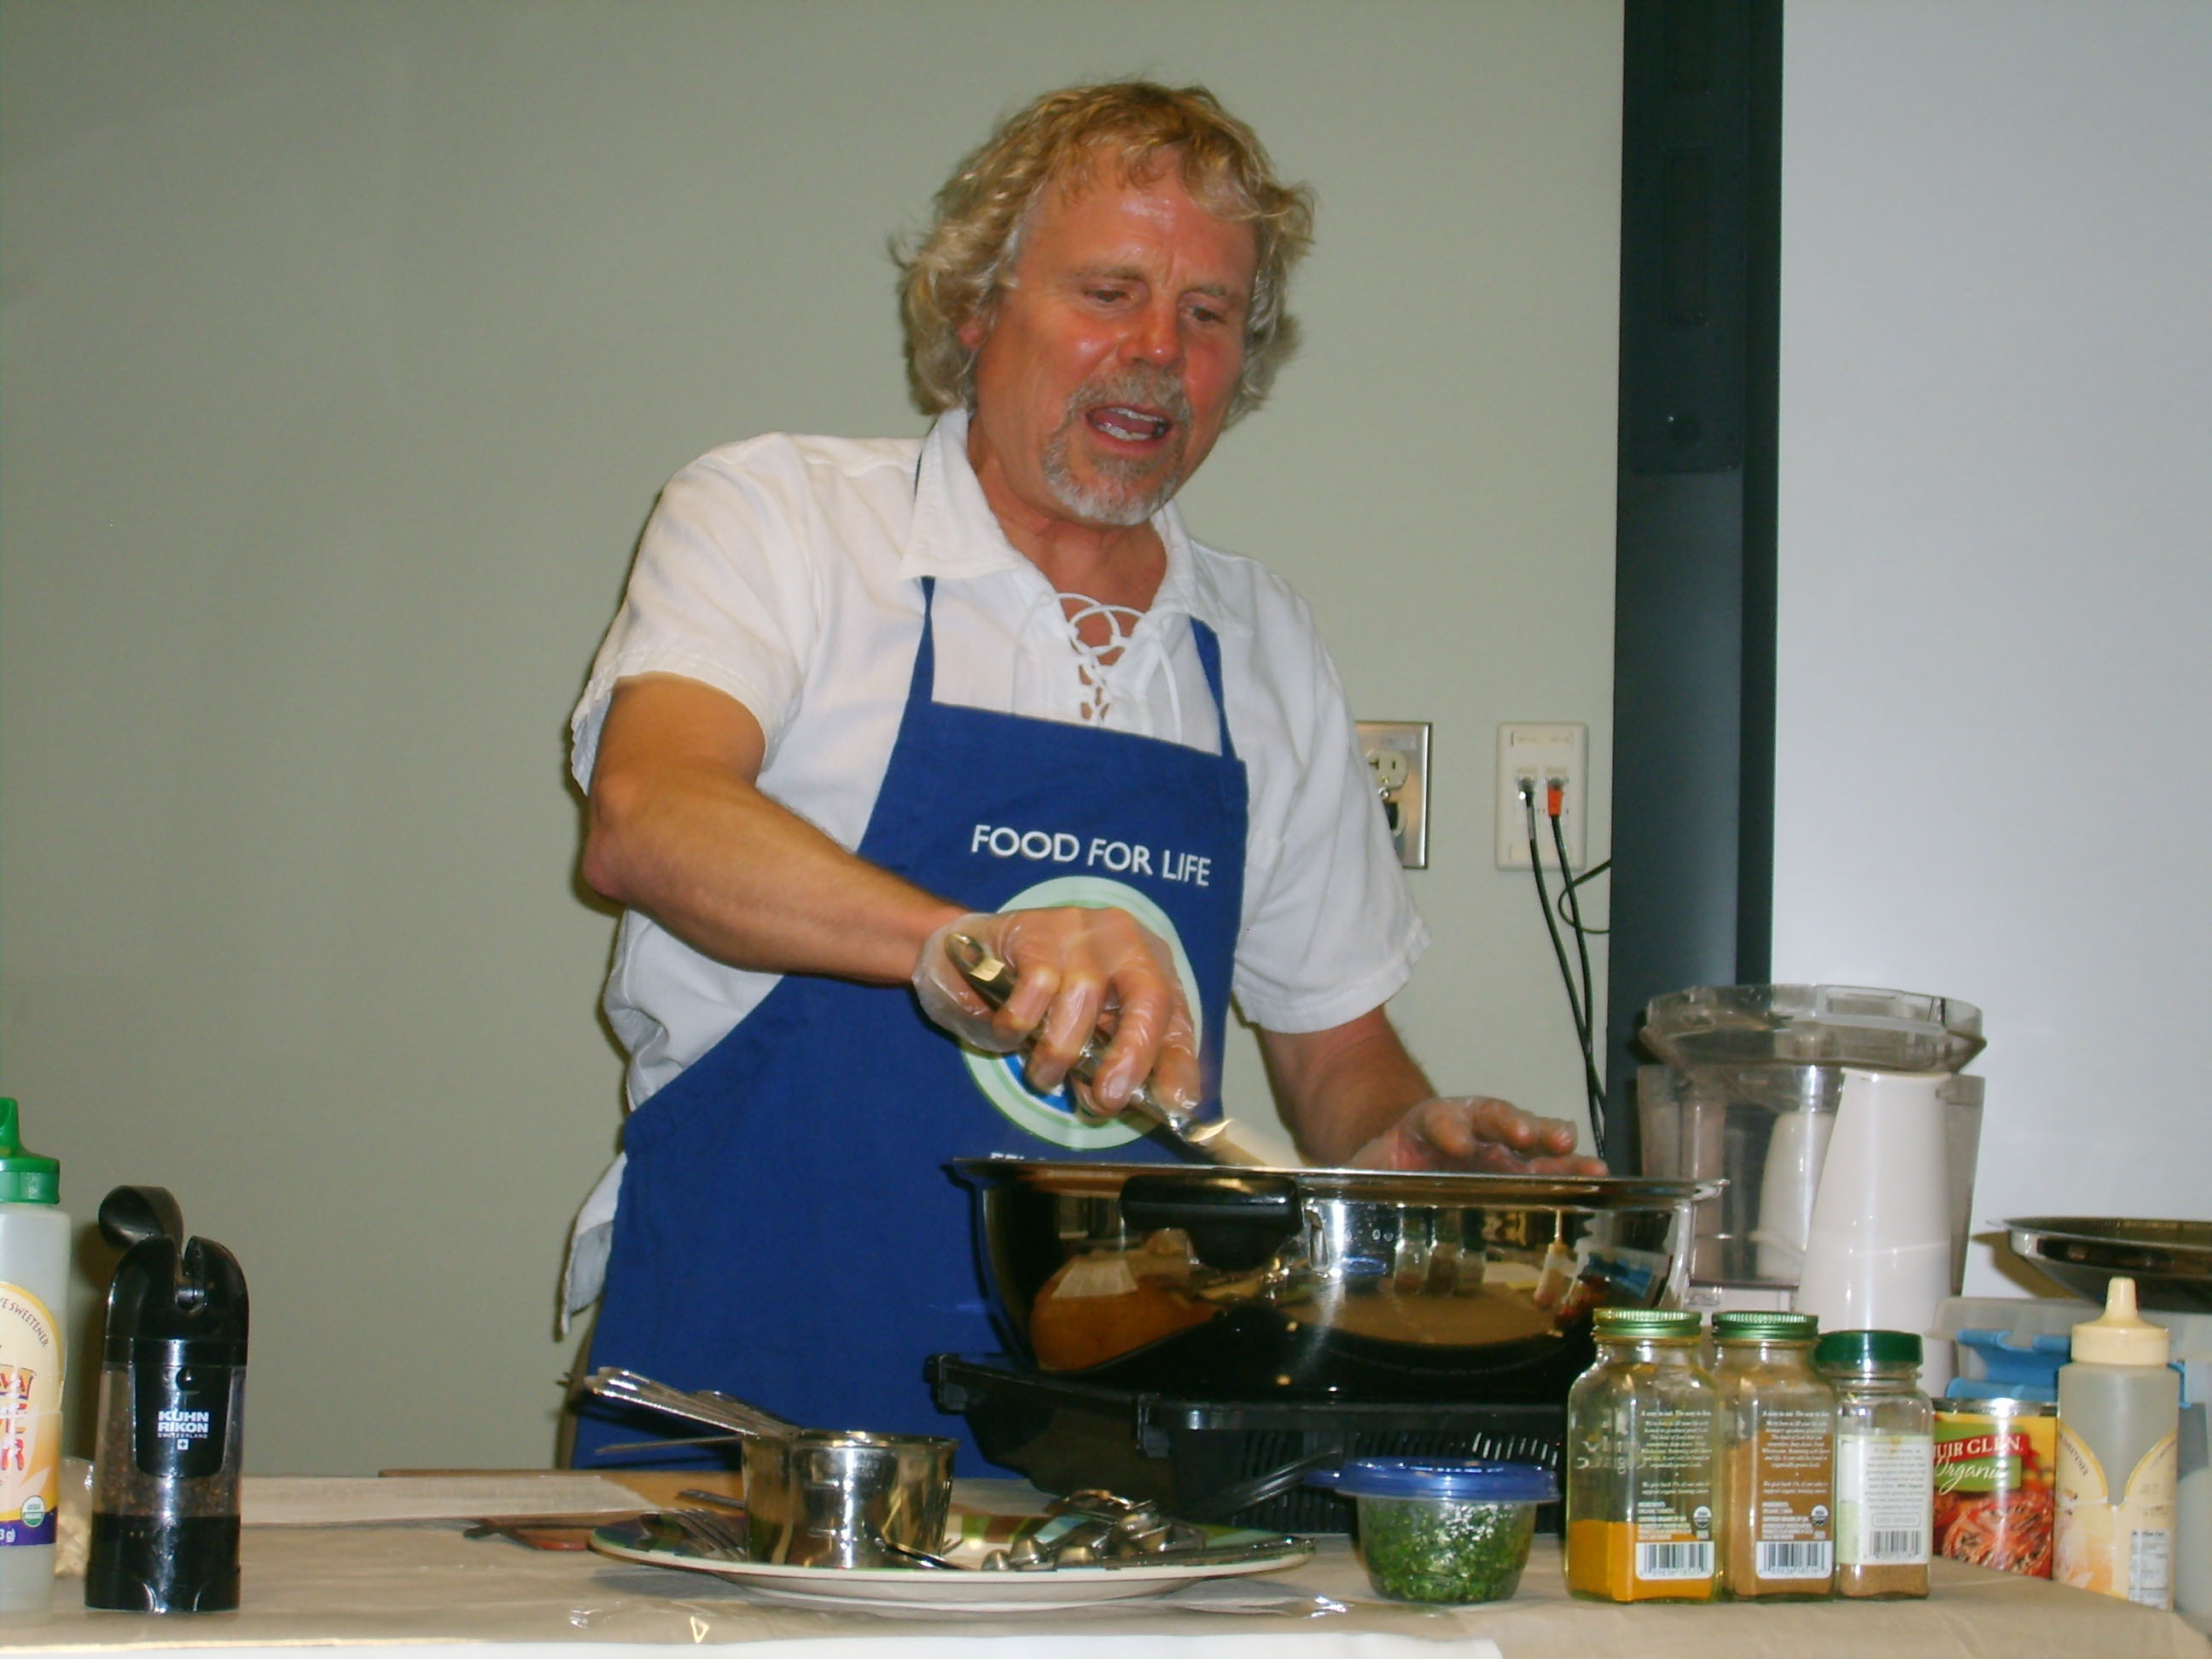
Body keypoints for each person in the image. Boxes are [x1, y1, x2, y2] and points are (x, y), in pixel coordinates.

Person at [562, 80, 1602, 1465]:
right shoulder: (784, 521)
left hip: (1115, 1456)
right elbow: (649, 815)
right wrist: (964, 944)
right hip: (748, 1405)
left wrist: (1397, 1146)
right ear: (976, 310)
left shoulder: (1259, 642)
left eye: (1209, 315)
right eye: (1110, 292)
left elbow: (1335, 1052)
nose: (1159, 352)